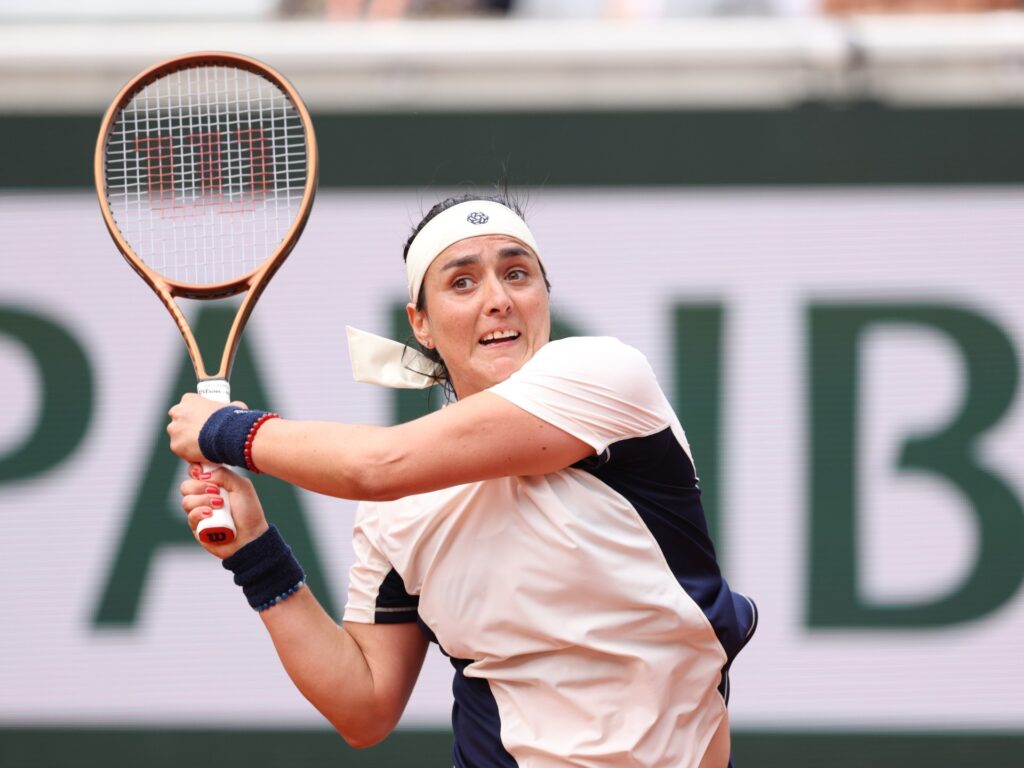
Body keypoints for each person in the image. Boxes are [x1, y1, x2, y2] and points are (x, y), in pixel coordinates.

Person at [168, 193, 757, 767]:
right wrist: (254, 549)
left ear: (545, 296)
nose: (498, 299)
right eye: (463, 282)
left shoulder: (606, 376)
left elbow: (376, 466)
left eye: (517, 274)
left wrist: (223, 429)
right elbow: (364, 708)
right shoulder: (398, 509)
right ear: (420, 324)